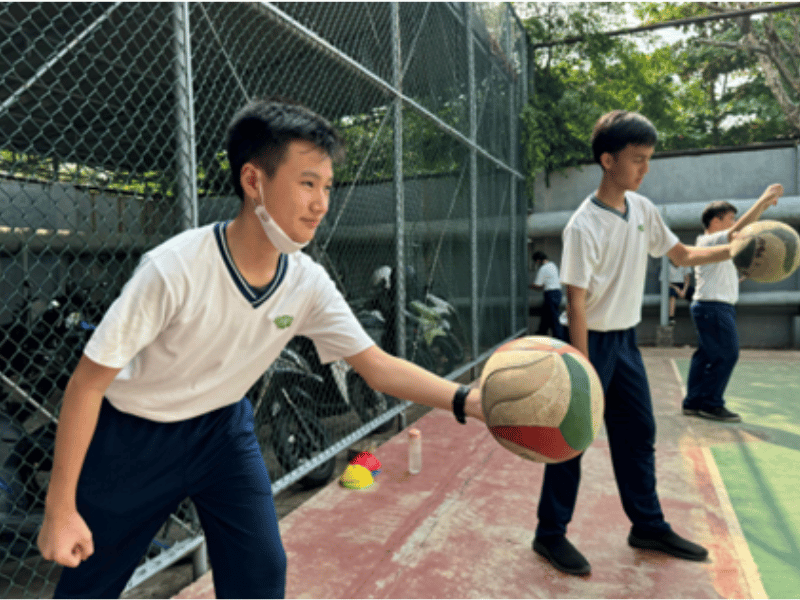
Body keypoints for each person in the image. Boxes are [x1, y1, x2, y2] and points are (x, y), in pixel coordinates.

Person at [37, 98, 484, 599]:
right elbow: (87, 383)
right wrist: (60, 509)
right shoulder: (173, 269)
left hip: (223, 430)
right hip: (136, 437)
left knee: (262, 573)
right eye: (307, 183)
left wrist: (468, 400)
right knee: (88, 585)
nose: (321, 204)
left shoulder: (307, 282)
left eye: (327, 187)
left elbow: (376, 366)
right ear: (254, 182)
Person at [531, 109, 778, 576]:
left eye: (649, 159)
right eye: (637, 159)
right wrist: (583, 369)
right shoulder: (583, 226)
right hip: (587, 342)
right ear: (607, 160)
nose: (645, 168)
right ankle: (550, 534)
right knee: (572, 439)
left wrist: (732, 249)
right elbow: (577, 302)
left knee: (638, 433)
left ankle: (646, 524)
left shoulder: (643, 210)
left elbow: (682, 254)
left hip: (625, 342)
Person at [682, 186, 782, 422]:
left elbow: (721, 271)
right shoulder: (710, 239)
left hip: (711, 306)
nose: (735, 223)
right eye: (730, 219)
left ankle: (693, 403)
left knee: (705, 356)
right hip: (714, 307)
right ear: (716, 221)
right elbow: (740, 230)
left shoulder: (716, 246)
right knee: (728, 354)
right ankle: (711, 404)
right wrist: (762, 203)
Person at [529, 250, 565, 339]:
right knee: (546, 316)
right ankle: (541, 333)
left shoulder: (543, 269)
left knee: (553, 318)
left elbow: (538, 285)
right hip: (557, 293)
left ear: (538, 260)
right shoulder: (553, 266)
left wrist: (528, 286)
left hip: (550, 294)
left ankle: (559, 338)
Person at [660, 259, 693, 324]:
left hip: (683, 285)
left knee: (693, 293)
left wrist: (684, 290)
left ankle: (695, 315)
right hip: (671, 285)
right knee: (672, 294)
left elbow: (687, 279)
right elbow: (664, 282)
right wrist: (676, 288)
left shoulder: (685, 263)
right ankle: (671, 318)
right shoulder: (667, 266)